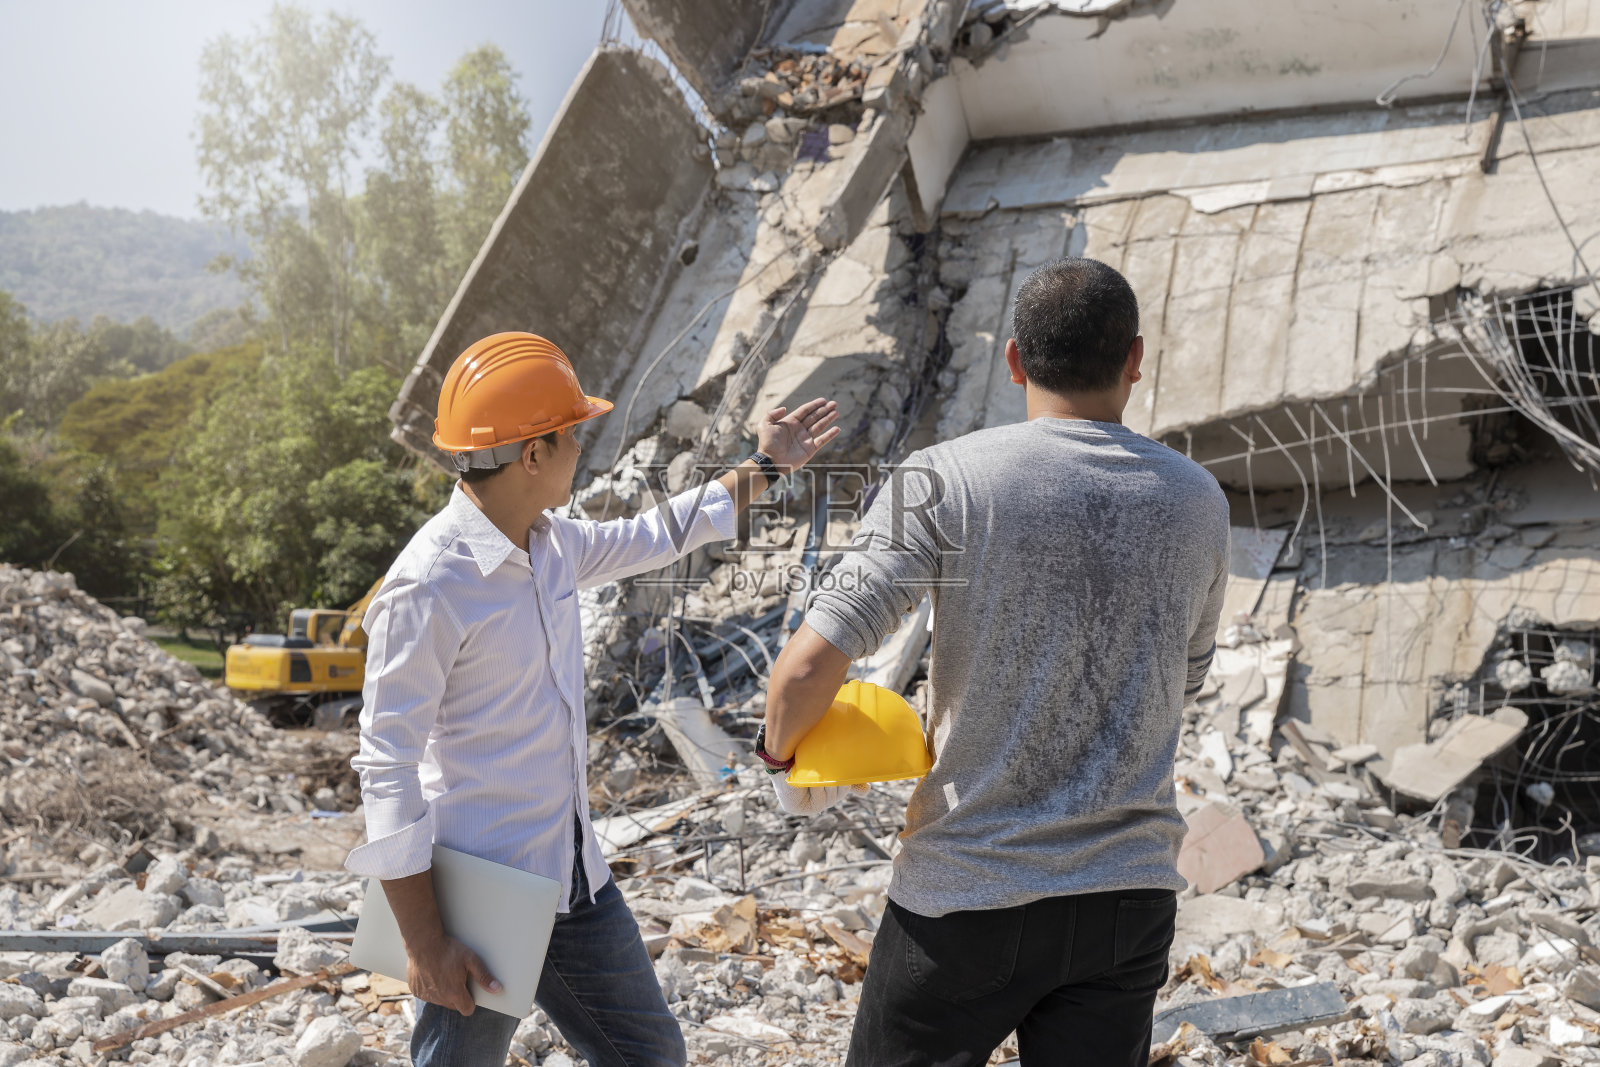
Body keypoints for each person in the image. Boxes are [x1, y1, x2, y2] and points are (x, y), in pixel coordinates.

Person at [758, 258, 1230, 1067]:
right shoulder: (1199, 501)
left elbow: (805, 670)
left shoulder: (947, 478)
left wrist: (779, 756)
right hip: (1127, 898)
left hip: (965, 893)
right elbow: (1183, 681)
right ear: (1136, 359)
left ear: (1013, 359)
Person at [345, 331, 839, 1067]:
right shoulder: (430, 584)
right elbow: (385, 765)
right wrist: (424, 943)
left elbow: (658, 533)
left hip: (576, 880)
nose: (583, 447)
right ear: (532, 455)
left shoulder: (550, 544)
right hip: (483, 901)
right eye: (573, 433)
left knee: (648, 1054)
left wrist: (765, 466)